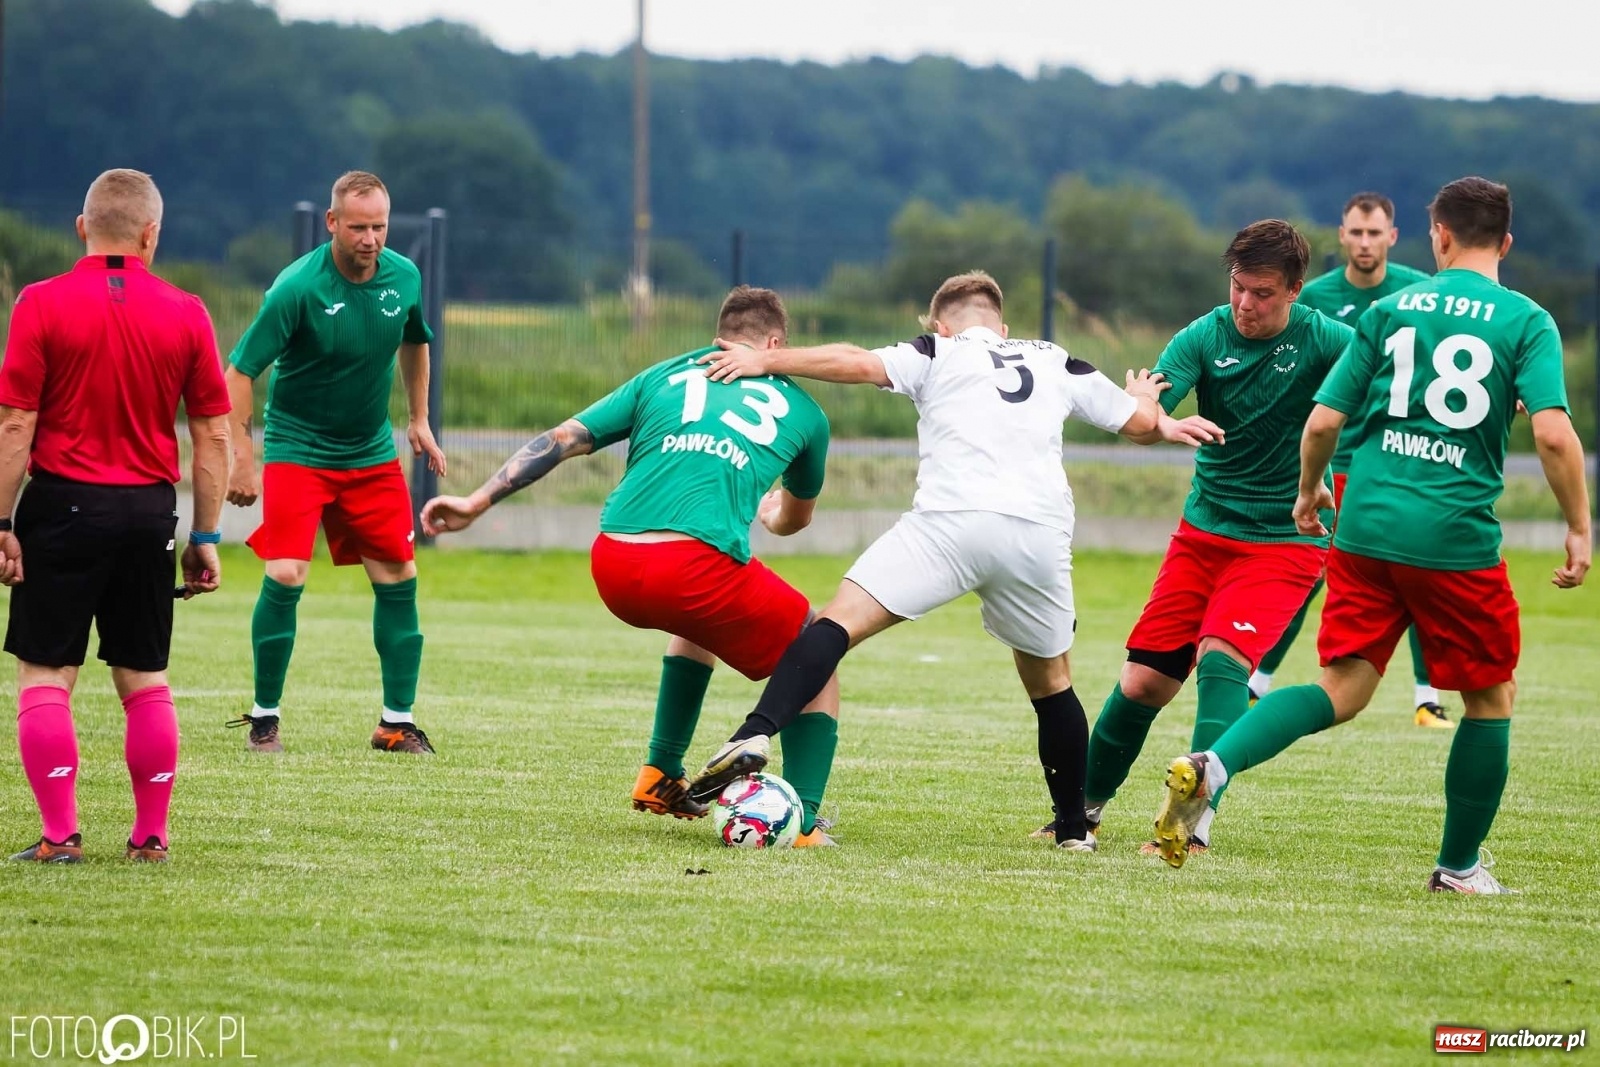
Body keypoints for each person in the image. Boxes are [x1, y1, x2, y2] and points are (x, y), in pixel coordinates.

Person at [1151, 178, 1590, 892]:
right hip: (1452, 536)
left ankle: (1212, 766)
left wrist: (1307, 493)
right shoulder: (1526, 320)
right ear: (1505, 243)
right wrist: (1578, 524)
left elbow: (1323, 421)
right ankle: (1458, 867)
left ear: (1437, 236)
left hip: (1363, 526)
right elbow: (1550, 431)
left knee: (1342, 685)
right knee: (1489, 697)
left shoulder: (1388, 311)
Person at [684, 271, 1220, 851]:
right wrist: (1148, 402)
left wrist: (769, 360)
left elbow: (855, 361)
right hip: (1036, 536)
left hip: (950, 524)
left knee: (833, 625)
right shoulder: (1055, 359)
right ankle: (1073, 832)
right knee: (1051, 682)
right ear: (1002, 326)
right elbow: (1141, 425)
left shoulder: (933, 350)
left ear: (941, 324)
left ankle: (755, 732)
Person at [421, 286, 844, 842]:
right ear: (774, 344)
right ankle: (805, 820)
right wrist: (770, 515)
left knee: (698, 628)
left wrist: (476, 502)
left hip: (615, 562)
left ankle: (661, 774)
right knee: (817, 647)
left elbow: (564, 438)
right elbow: (796, 519)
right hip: (694, 568)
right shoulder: (806, 413)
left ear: (719, 336)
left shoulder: (660, 376)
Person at [1080, 220, 1356, 856]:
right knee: (1143, 682)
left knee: (1222, 659)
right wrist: (1146, 412)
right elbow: (1146, 417)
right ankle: (1081, 813)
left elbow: (1400, 374)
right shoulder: (1204, 334)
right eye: (1237, 288)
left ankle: (1187, 827)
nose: (1245, 304)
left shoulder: (1327, 340)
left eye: (1261, 293)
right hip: (1203, 534)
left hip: (1286, 540)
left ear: (1294, 290)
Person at [0, 168, 231, 863]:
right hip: (148, 512)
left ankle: (60, 834)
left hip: (62, 505)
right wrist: (207, 535)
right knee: (142, 675)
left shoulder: (39, 303)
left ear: (82, 228)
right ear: (151, 233)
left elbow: (16, 424)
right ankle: (150, 834)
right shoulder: (188, 311)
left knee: (47, 673)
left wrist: (2, 522)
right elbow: (214, 434)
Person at [224, 170, 445, 755]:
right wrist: (242, 458)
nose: (370, 238)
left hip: (370, 452)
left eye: (379, 226)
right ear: (332, 224)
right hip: (300, 450)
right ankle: (264, 717)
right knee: (287, 573)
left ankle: (396, 723)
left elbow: (416, 339)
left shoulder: (406, 275)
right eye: (357, 227)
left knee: (399, 577)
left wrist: (419, 418)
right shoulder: (296, 288)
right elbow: (239, 372)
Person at [1251, 192, 1450, 728]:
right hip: (1335, 459)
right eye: (1356, 233)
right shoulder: (1313, 297)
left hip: (1396, 459)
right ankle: (1258, 683)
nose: (1365, 242)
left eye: (1374, 233)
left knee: (1412, 570)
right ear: (1343, 236)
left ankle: (1427, 698)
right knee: (1308, 569)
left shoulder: (1419, 292)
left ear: (1392, 236)